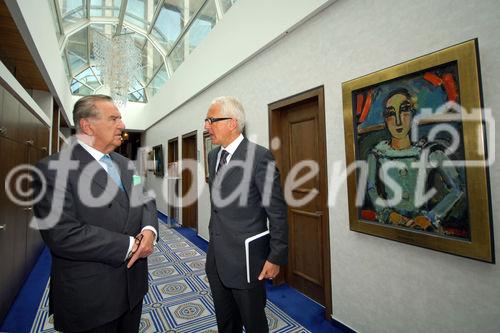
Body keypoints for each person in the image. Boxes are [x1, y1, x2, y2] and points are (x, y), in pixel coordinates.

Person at [33, 95, 158, 333]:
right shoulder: (52, 169)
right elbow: (62, 234)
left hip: (133, 288)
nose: (122, 125)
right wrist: (131, 244)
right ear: (87, 126)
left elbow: (146, 198)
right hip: (90, 298)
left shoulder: (128, 165)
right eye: (114, 118)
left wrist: (149, 230)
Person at [204, 96, 288, 333]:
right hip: (217, 259)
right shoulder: (213, 157)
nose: (206, 127)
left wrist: (276, 257)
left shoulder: (260, 157)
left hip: (248, 262)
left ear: (232, 122)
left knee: (254, 324)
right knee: (226, 323)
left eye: (211, 120)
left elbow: (277, 211)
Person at [366, 88, 465, 233]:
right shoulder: (377, 154)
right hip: (390, 229)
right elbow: (372, 189)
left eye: (404, 110)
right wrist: (388, 214)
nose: (398, 121)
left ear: (413, 114)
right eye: (391, 114)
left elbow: (457, 188)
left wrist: (431, 217)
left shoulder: (429, 151)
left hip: (423, 231)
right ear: (385, 119)